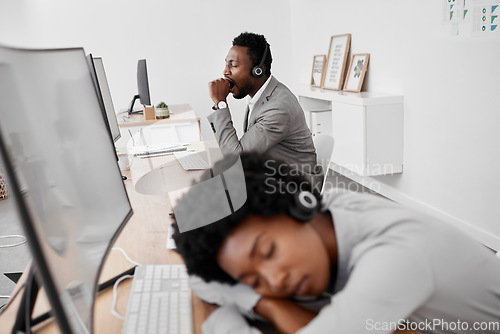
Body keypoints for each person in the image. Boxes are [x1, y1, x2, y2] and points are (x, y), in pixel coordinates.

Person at [172, 152, 500, 334]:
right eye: (253, 280)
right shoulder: (333, 209)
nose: (275, 281)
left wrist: (260, 304)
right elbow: (201, 275)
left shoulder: (393, 258)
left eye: (268, 252)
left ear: (300, 207)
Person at [207, 32, 317, 174]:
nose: (225, 71)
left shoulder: (278, 107)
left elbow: (237, 160)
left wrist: (220, 103)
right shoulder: (262, 96)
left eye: (233, 65)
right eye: (226, 64)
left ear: (258, 70)